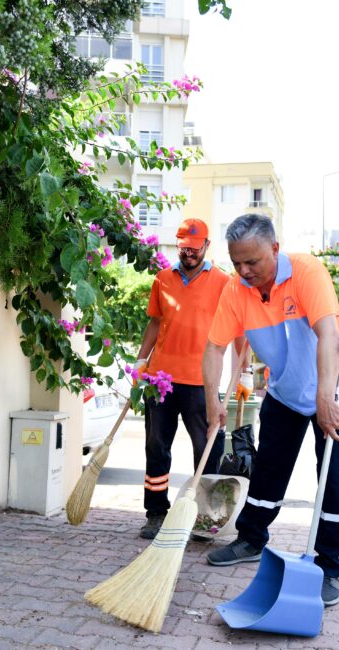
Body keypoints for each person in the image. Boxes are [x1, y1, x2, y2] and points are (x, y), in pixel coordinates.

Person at [201, 213, 339, 607]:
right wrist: (212, 400)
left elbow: (327, 334)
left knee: (331, 478)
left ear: (274, 248)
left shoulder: (306, 272)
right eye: (236, 262)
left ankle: (328, 566)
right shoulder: (237, 291)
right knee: (269, 467)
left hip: (334, 387)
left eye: (252, 261)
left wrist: (325, 399)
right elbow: (215, 347)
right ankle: (251, 538)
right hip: (286, 392)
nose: (243, 270)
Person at [135, 218, 235, 539]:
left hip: (201, 382)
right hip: (160, 379)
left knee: (207, 450)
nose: (189, 254)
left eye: (194, 248)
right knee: (156, 447)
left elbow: (236, 327)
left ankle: (204, 517)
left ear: (206, 246)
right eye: (183, 248)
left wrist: (240, 372)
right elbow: (154, 323)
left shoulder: (222, 282)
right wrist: (140, 360)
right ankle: (156, 512)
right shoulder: (162, 279)